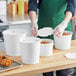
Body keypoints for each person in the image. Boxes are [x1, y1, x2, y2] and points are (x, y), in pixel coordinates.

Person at [28, 0, 75, 76]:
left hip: (62, 30)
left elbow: (71, 5)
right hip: (44, 29)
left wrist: (64, 23)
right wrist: (33, 22)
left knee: (62, 69)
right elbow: (32, 3)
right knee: (47, 68)